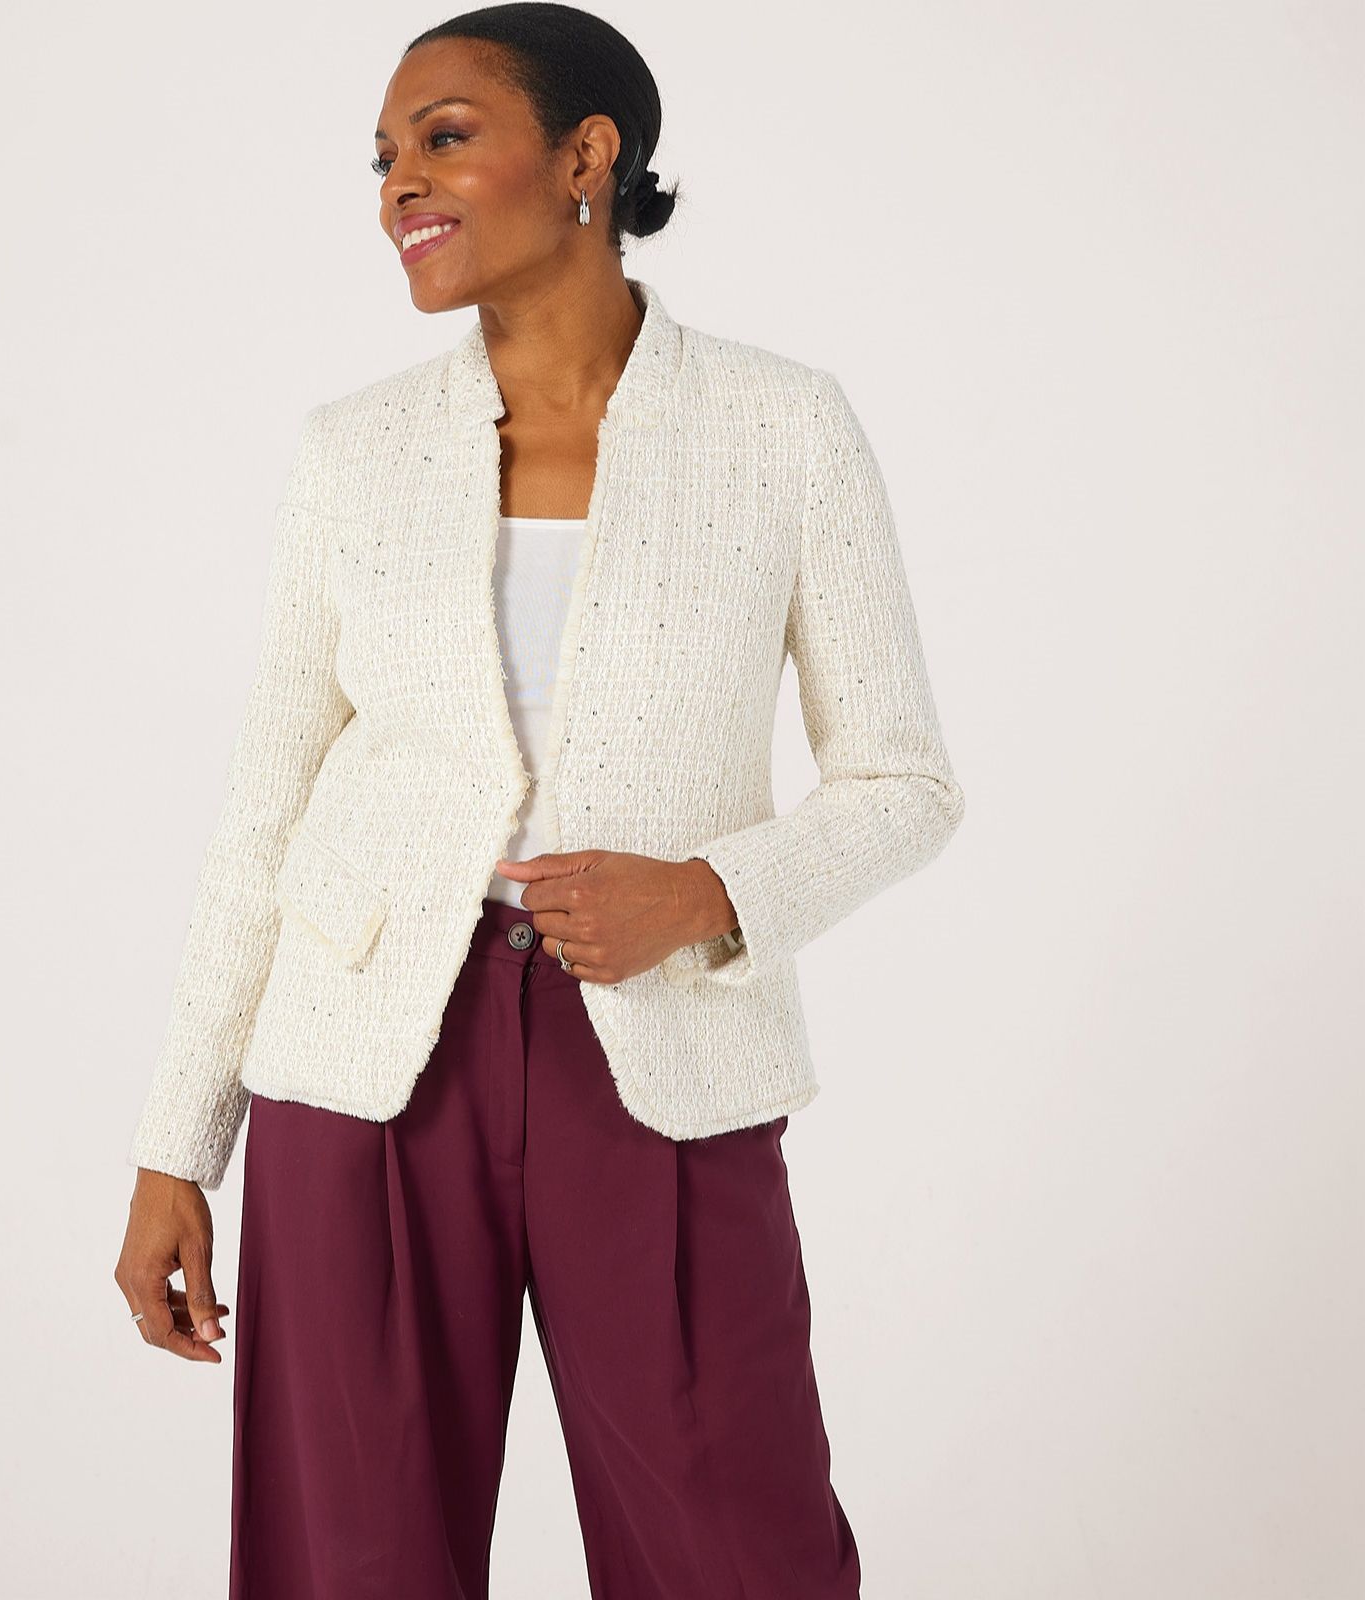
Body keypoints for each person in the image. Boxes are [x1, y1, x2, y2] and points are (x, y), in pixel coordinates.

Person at [114, 5, 965, 1595]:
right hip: (363, 1064)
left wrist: (705, 895)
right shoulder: (353, 452)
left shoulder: (782, 428)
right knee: (354, 1560)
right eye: (383, 157)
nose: (398, 184)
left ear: (589, 156)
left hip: (663, 1048)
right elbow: (263, 816)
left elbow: (904, 783)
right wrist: (179, 1144)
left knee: (736, 1549)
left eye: (444, 137)